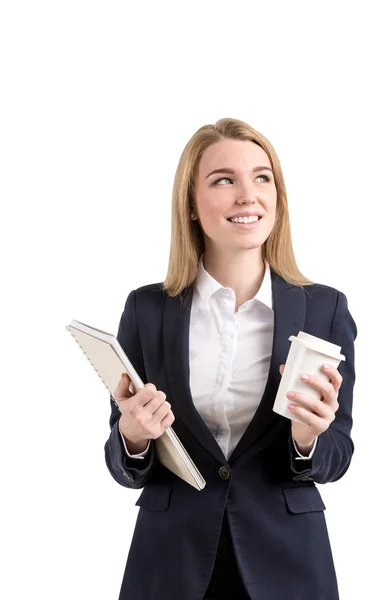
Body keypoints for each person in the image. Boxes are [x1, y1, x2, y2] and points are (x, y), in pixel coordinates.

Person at [105, 117, 357, 600]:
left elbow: (338, 454)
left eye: (262, 177)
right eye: (224, 180)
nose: (248, 195)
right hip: (169, 563)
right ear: (192, 205)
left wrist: (308, 441)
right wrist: (132, 438)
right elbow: (120, 464)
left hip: (287, 565)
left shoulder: (325, 308)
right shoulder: (146, 309)